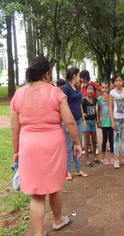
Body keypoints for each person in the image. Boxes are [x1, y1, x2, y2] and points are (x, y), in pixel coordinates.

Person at [10, 57, 82, 236]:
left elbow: (14, 127)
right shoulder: (54, 92)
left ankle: (39, 233)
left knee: (36, 193)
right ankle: (57, 221)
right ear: (47, 73)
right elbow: (70, 122)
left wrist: (16, 151)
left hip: (29, 146)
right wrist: (78, 143)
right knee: (55, 185)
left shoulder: (18, 94)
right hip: (52, 146)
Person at [62, 67, 88, 179]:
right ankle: (67, 172)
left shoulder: (77, 88)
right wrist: (67, 124)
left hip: (78, 121)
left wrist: (83, 119)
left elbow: (79, 105)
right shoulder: (66, 89)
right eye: (78, 76)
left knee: (77, 145)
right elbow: (64, 107)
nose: (79, 78)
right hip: (69, 123)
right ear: (74, 76)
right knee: (68, 147)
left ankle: (78, 170)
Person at [109, 73, 124, 169]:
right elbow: (110, 107)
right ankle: (116, 159)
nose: (118, 82)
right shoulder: (112, 93)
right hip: (116, 119)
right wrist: (112, 121)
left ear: (123, 81)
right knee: (116, 139)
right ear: (114, 82)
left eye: (120, 80)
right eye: (116, 80)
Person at [80, 70, 101, 155]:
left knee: (93, 133)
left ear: (85, 77)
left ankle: (95, 147)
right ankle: (88, 147)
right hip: (86, 110)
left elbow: (99, 89)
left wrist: (98, 98)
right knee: (86, 132)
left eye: (81, 78)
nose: (81, 80)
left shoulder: (93, 83)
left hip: (93, 109)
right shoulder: (83, 86)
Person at [82, 83, 99, 167]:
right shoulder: (84, 100)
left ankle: (94, 157)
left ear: (94, 91)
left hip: (93, 122)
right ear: (86, 90)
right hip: (87, 122)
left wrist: (98, 121)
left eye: (92, 89)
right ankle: (87, 159)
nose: (90, 91)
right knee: (86, 141)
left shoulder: (95, 100)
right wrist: (83, 116)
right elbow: (80, 108)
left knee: (94, 140)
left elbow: (97, 111)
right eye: (88, 89)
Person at [97, 81, 114, 165]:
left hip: (110, 122)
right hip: (104, 123)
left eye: (106, 88)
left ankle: (112, 156)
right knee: (104, 140)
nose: (104, 89)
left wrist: (107, 100)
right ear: (101, 88)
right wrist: (98, 121)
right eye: (103, 88)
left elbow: (112, 108)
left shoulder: (110, 97)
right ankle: (103, 156)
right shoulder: (99, 99)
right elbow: (98, 110)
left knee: (111, 140)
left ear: (108, 89)